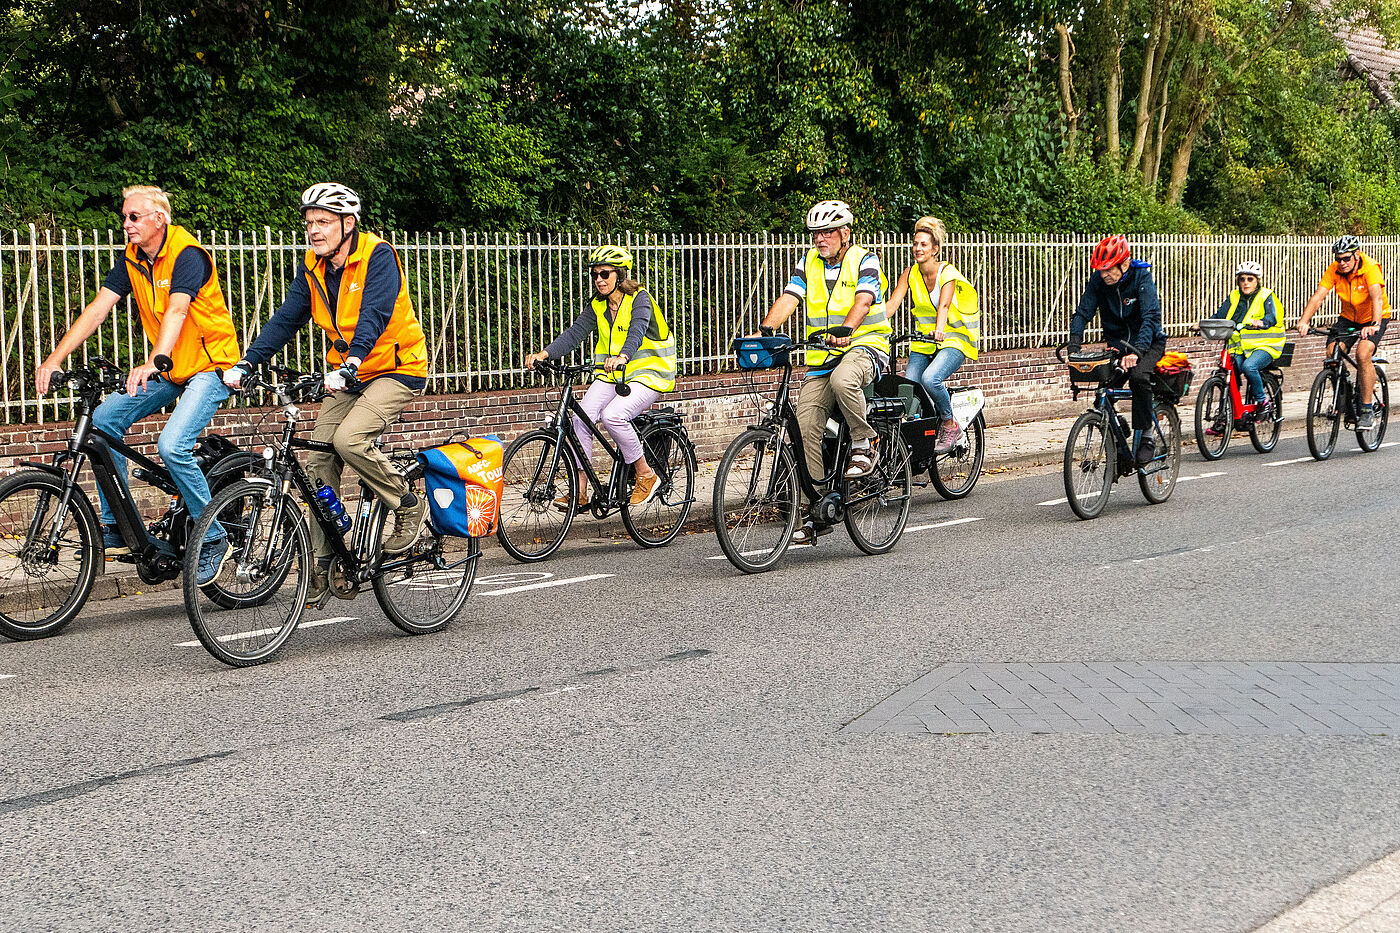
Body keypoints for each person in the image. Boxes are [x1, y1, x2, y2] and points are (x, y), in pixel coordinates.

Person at [224, 183, 430, 606]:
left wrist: (352, 363)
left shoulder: (378, 256)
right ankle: (323, 562)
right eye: (309, 223)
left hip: (396, 368)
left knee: (348, 439)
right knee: (319, 456)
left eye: (323, 222)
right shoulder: (314, 266)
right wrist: (247, 362)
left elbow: (373, 313)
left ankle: (406, 503)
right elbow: (287, 318)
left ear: (347, 224)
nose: (313, 231)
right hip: (349, 373)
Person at [34, 185, 240, 585]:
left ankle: (213, 536)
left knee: (172, 445)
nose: (125, 224)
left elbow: (178, 310)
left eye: (134, 217)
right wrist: (55, 359)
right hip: (171, 367)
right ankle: (119, 528)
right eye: (124, 217)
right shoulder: (132, 259)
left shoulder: (188, 255)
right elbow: (97, 310)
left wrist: (151, 361)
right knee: (103, 421)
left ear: (158, 219)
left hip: (212, 366)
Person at [752, 199, 891, 545]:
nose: (819, 239)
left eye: (827, 232)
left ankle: (864, 441)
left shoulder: (865, 258)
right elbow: (789, 297)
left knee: (845, 380)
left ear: (844, 233)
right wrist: (765, 330)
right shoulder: (809, 262)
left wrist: (846, 328)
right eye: (815, 233)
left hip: (866, 345)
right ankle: (817, 508)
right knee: (805, 422)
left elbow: (863, 300)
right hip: (824, 356)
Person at [522, 245, 675, 510]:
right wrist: (544, 354)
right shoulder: (598, 304)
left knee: (613, 416)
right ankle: (579, 490)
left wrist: (624, 356)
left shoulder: (639, 299)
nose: (599, 280)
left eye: (605, 274)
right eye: (595, 275)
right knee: (582, 417)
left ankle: (646, 475)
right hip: (614, 374)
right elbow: (574, 334)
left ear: (620, 275)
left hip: (649, 373)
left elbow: (636, 331)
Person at [1068, 235, 1168, 466]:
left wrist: (1138, 352)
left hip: (1150, 342)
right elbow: (1083, 311)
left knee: (1138, 377)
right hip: (1118, 345)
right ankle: (1118, 432)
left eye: (1108, 270)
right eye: (1100, 270)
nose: (1104, 275)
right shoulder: (1098, 281)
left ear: (1124, 264)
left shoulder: (1141, 277)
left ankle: (1146, 436)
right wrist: (1074, 343)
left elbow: (1150, 317)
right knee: (1103, 388)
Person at [884, 215, 979, 454]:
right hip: (923, 342)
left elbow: (944, 306)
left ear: (935, 249)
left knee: (930, 379)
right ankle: (923, 436)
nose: (918, 248)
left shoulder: (947, 272)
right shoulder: (910, 273)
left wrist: (940, 329)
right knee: (910, 387)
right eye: (915, 244)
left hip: (952, 338)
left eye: (924, 244)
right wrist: (869, 323)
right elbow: (892, 305)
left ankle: (950, 423)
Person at [1296, 235, 1390, 429]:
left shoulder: (1370, 268)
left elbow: (1377, 298)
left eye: (1346, 258)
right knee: (1332, 352)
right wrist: (1304, 321)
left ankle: (1366, 409)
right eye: (1338, 258)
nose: (1342, 263)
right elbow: (1318, 296)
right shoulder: (1335, 270)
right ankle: (1346, 394)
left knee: (1363, 354)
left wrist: (1374, 323)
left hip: (1373, 317)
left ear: (1356, 255)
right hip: (1348, 318)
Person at [1207, 261, 1284, 430]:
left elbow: (1273, 317)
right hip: (1241, 348)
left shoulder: (1266, 295)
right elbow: (1220, 315)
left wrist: (1262, 322)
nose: (1246, 283)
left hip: (1266, 346)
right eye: (1242, 279)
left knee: (1249, 367)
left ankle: (1263, 401)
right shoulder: (1234, 296)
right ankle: (1225, 415)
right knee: (1229, 373)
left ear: (1257, 281)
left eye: (1250, 279)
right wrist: (1204, 324)